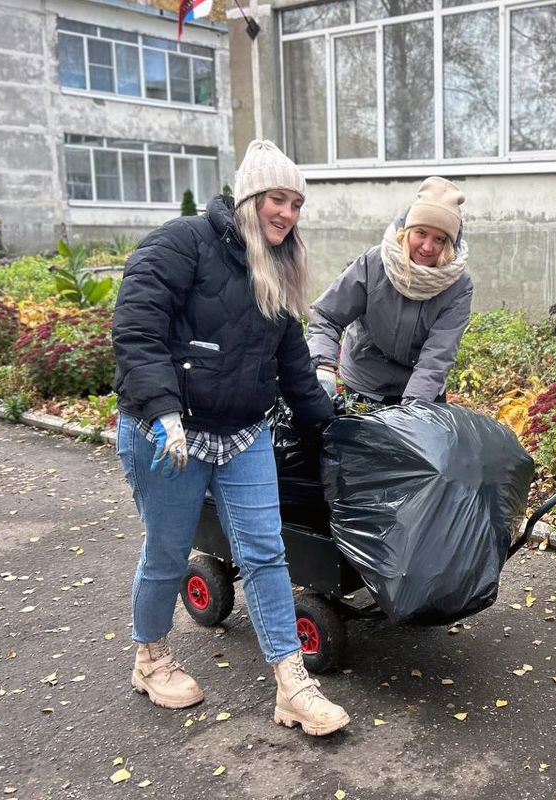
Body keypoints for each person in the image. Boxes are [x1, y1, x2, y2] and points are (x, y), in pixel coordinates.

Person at [112, 140, 350, 737]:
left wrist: (335, 419)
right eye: (278, 199)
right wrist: (163, 410)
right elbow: (136, 326)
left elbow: (293, 361)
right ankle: (150, 659)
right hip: (168, 434)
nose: (288, 214)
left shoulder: (277, 267)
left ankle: (292, 685)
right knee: (168, 553)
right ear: (250, 198)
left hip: (241, 433)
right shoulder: (183, 243)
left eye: (297, 203)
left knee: (267, 552)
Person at [306, 177, 473, 406]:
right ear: (406, 232)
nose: (427, 246)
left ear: (449, 244)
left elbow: (437, 355)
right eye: (421, 233)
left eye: (440, 239)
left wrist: (415, 407)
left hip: (421, 392)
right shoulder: (374, 264)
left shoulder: (458, 286)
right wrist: (322, 366)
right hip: (364, 383)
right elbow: (327, 315)